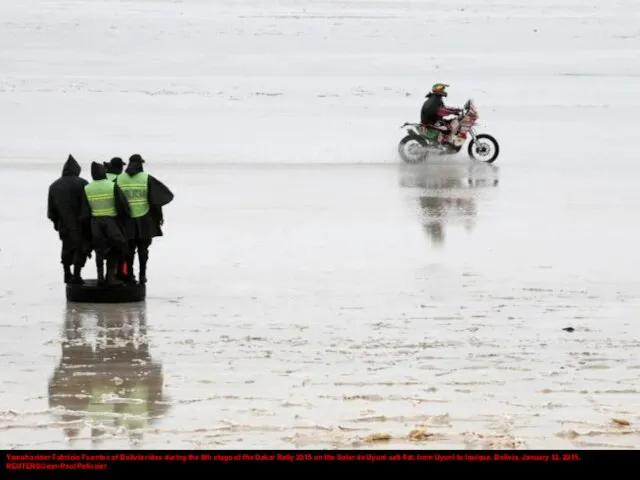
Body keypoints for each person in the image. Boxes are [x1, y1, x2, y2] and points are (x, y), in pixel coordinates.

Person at [116, 154, 174, 285]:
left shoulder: (119, 179)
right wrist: (159, 217)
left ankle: (130, 275)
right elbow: (157, 199)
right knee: (143, 250)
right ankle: (143, 276)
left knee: (129, 250)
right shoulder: (146, 178)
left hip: (126, 221)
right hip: (144, 220)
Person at [80, 162, 131, 286]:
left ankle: (100, 277)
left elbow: (84, 211)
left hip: (95, 222)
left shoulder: (87, 188)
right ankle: (110, 277)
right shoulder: (112, 186)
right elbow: (123, 206)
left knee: (99, 249)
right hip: (111, 221)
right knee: (117, 246)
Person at [47, 154, 92, 284]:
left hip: (63, 224)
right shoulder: (83, 183)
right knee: (81, 248)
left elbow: (51, 210)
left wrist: (57, 222)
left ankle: (67, 273)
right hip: (81, 224)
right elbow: (87, 205)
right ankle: (77, 274)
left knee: (66, 247)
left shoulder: (54, 186)